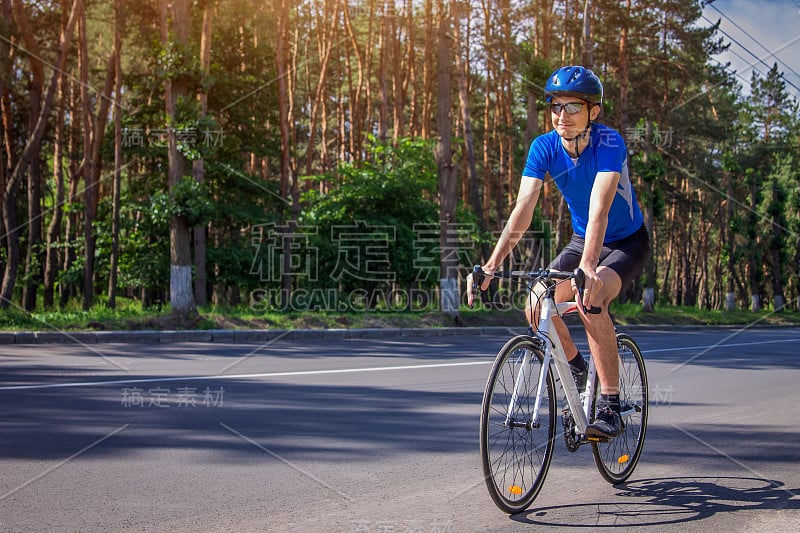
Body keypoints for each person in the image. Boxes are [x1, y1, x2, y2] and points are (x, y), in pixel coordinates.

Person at [467, 65, 650, 439]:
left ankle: (610, 405)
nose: (561, 116)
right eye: (555, 106)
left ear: (592, 112)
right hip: (583, 240)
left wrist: (588, 269)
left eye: (572, 107)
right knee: (536, 303)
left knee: (591, 298)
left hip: (626, 242)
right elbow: (523, 209)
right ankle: (578, 370)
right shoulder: (544, 147)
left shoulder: (610, 143)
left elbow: (600, 207)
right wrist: (491, 264)